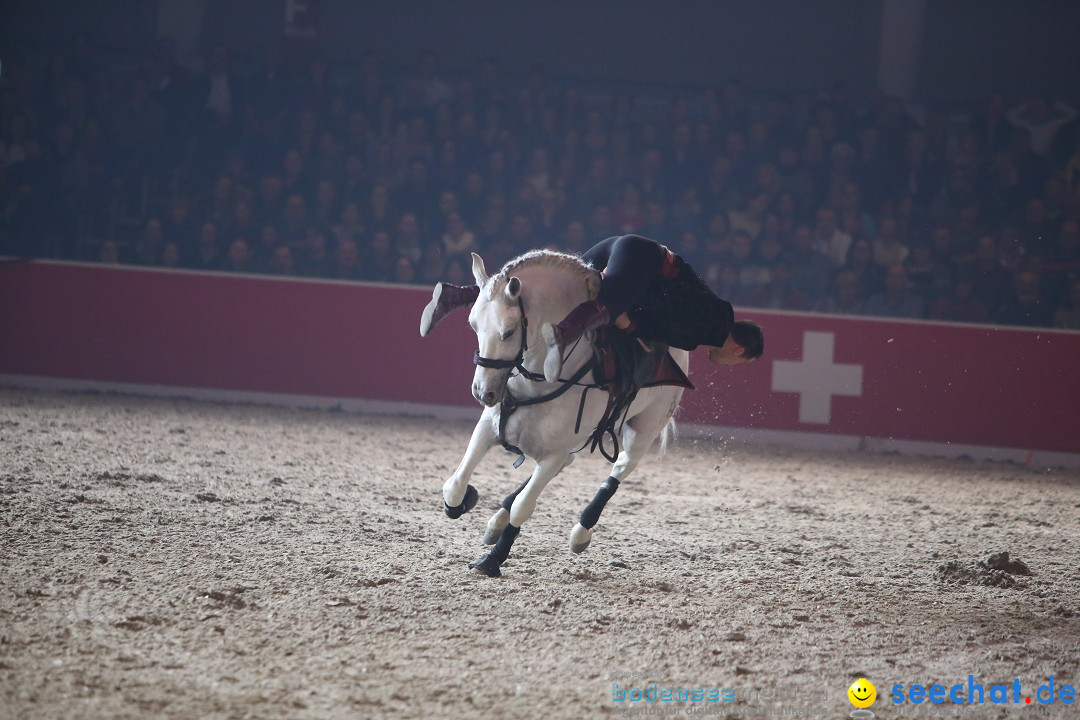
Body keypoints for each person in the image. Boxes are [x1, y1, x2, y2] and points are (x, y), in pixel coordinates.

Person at [420, 235, 764, 381]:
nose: (731, 364)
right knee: (605, 308)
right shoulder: (714, 321)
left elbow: (658, 317)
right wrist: (624, 314)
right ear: (740, 348)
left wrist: (627, 313)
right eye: (739, 360)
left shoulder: (710, 319)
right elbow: (664, 312)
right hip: (645, 260)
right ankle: (562, 335)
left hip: (627, 250)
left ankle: (457, 296)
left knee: (564, 291)